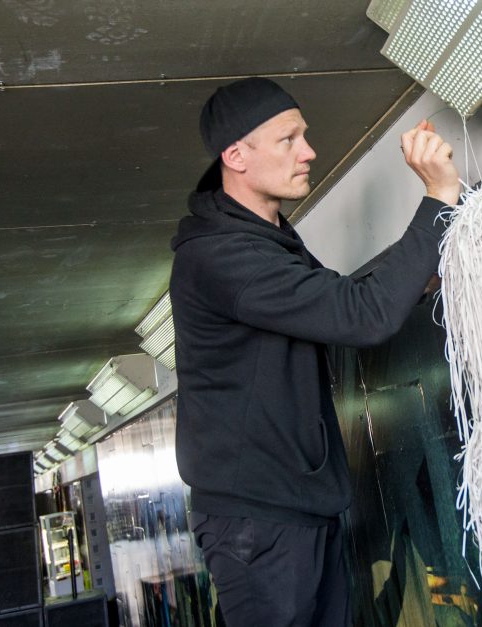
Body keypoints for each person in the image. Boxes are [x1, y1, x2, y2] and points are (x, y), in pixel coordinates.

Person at [168, 76, 459, 626]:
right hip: (258, 523)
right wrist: (439, 197)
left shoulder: (266, 237)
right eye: (289, 139)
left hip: (297, 508)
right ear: (237, 156)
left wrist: (427, 273)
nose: (309, 152)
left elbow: (342, 305)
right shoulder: (219, 257)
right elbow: (362, 314)